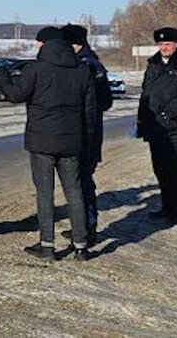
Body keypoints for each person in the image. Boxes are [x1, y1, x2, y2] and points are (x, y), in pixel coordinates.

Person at [0, 26, 98, 261]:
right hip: (73, 142)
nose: (35, 47)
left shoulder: (36, 69)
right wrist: (87, 140)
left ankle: (47, 246)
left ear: (44, 44)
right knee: (74, 191)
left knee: (45, 193)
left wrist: (2, 75)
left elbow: (15, 94)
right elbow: (89, 111)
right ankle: (81, 246)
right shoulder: (82, 71)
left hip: (42, 141)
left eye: (37, 43)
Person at [137, 27, 177, 224]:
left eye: (167, 44)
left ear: (176, 44)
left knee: (176, 171)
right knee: (161, 169)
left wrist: (167, 114)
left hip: (174, 128)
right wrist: (143, 120)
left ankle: (176, 210)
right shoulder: (153, 64)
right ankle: (166, 206)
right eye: (161, 44)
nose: (164, 48)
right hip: (155, 128)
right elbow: (146, 94)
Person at [60, 23, 113, 243]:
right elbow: (107, 101)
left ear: (75, 43)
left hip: (85, 133)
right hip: (90, 131)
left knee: (81, 181)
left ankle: (86, 228)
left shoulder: (86, 65)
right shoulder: (94, 62)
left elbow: (101, 101)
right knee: (82, 180)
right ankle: (83, 226)